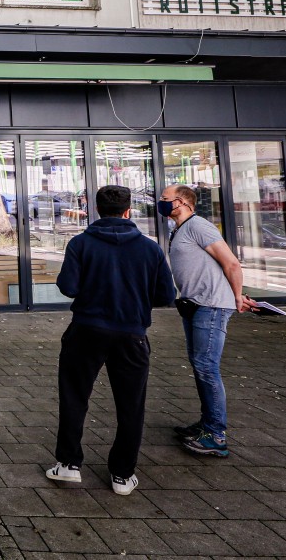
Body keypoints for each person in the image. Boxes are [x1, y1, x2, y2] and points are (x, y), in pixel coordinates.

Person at [46, 185, 175, 496]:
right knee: (131, 405)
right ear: (129, 210)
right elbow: (165, 296)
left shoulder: (80, 244)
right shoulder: (151, 249)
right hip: (131, 334)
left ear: (97, 210)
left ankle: (69, 465)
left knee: (75, 396)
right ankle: (121, 474)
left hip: (86, 330)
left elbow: (68, 287)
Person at [159, 184, 257, 458]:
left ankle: (215, 434)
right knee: (200, 364)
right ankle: (206, 424)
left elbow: (231, 263)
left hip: (211, 306)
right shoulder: (179, 228)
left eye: (165, 199)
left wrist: (236, 296)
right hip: (196, 304)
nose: (161, 203)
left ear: (181, 202)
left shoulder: (199, 226)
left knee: (206, 367)